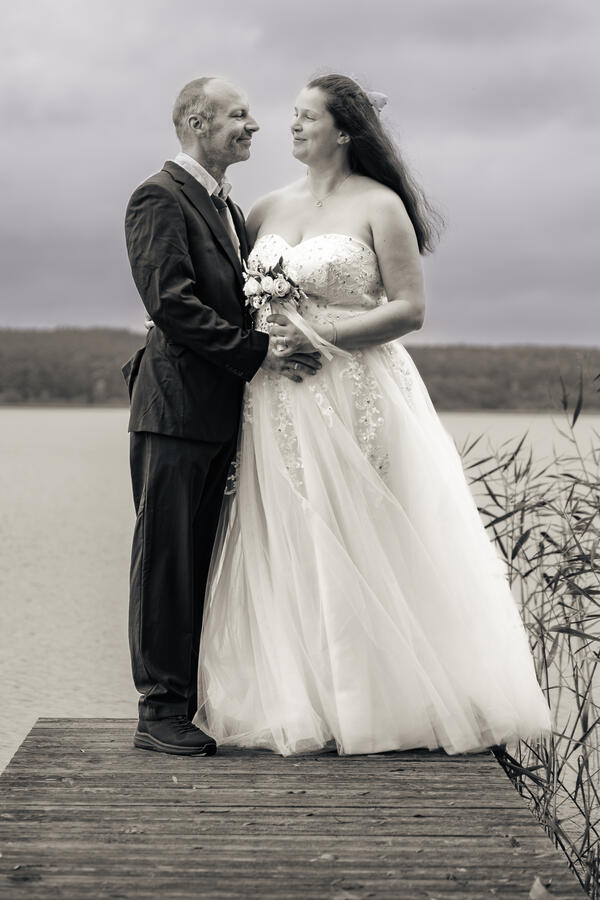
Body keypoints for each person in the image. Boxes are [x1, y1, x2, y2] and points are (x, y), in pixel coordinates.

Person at [195, 74, 551, 756]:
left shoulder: (379, 205)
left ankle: (378, 703)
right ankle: (304, 701)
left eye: (307, 117)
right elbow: (239, 308)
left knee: (363, 529)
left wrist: (322, 337)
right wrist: (266, 341)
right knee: (289, 532)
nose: (292, 126)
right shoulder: (263, 210)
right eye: (292, 116)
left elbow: (409, 309)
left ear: (344, 131)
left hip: (356, 390)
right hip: (276, 400)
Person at [123, 76, 320, 756]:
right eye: (239, 114)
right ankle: (159, 710)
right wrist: (259, 352)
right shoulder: (158, 197)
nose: (254, 125)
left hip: (219, 413)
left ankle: (194, 699)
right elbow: (170, 305)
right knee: (167, 560)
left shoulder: (229, 209)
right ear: (197, 121)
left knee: (204, 558)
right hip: (174, 410)